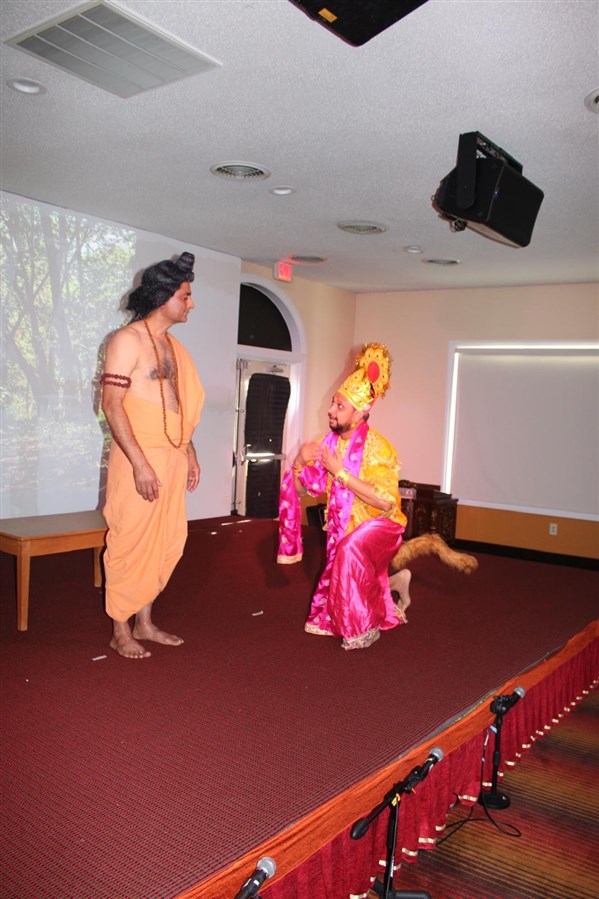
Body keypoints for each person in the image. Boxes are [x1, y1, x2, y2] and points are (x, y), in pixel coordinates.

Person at [100, 251, 204, 659]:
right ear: (163, 298)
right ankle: (120, 630)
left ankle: (144, 623)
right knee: (129, 540)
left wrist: (189, 450)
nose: (190, 303)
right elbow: (112, 406)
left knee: (163, 540)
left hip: (172, 456)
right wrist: (140, 464)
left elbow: (179, 405)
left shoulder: (172, 346)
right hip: (138, 461)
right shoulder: (126, 341)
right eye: (185, 296)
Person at [278, 343, 411, 650]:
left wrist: (340, 473)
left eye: (340, 406)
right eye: (333, 403)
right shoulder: (328, 445)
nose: (330, 410)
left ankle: (363, 630)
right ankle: (396, 582)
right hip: (345, 530)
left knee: (349, 550)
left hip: (384, 525)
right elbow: (303, 490)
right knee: (348, 557)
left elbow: (386, 501)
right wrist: (299, 462)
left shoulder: (379, 448)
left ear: (360, 412)